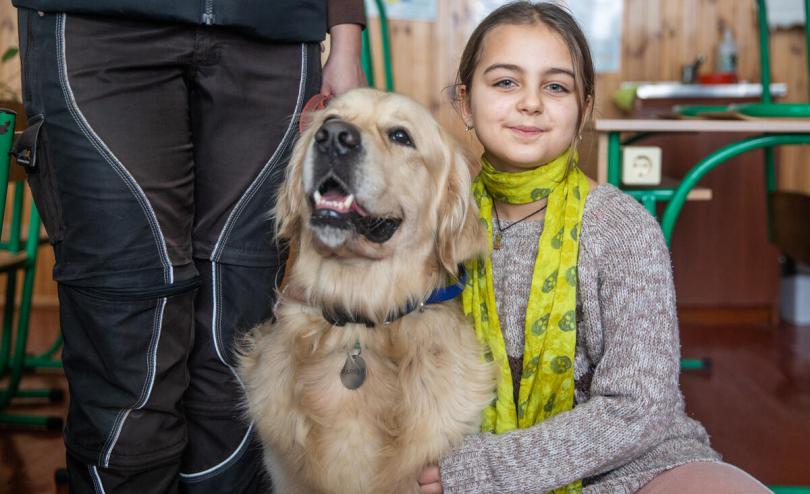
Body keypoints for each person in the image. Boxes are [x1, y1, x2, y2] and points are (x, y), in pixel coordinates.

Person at [11, 1, 366, 492]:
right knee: (128, 340)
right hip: (100, 26)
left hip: (272, 34)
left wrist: (346, 38)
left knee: (236, 334)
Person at [417, 2, 770, 493]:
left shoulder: (620, 228)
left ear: (584, 110)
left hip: (627, 464)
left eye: (556, 86)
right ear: (464, 101)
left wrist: (490, 471)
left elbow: (639, 409)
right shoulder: (434, 225)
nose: (531, 103)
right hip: (463, 458)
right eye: (505, 82)